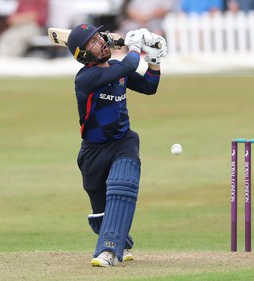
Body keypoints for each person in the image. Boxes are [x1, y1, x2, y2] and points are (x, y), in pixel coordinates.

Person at [66, 23, 166, 267]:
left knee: (122, 187)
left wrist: (154, 58)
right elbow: (130, 64)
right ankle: (123, 241)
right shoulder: (87, 78)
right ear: (85, 54)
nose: (100, 41)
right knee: (101, 215)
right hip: (93, 151)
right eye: (92, 41)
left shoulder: (115, 68)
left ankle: (109, 251)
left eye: (99, 37)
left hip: (122, 141)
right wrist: (133, 46)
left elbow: (149, 87)